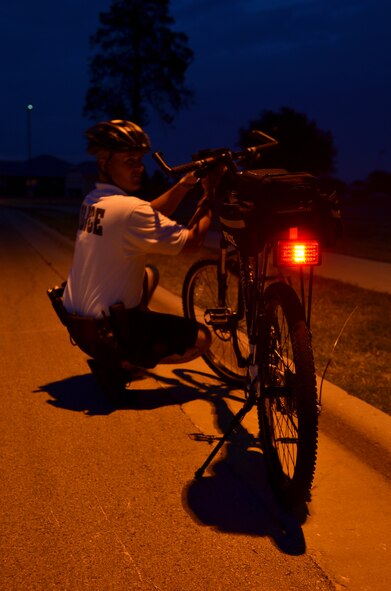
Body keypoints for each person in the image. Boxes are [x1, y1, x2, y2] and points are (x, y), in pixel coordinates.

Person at [63, 119, 219, 378]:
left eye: (139, 160)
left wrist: (186, 183)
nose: (139, 169)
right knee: (203, 338)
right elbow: (193, 242)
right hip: (107, 332)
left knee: (149, 273)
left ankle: (122, 347)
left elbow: (148, 213)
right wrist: (210, 193)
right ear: (104, 162)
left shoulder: (93, 200)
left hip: (80, 326)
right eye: (129, 161)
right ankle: (124, 361)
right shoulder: (131, 211)